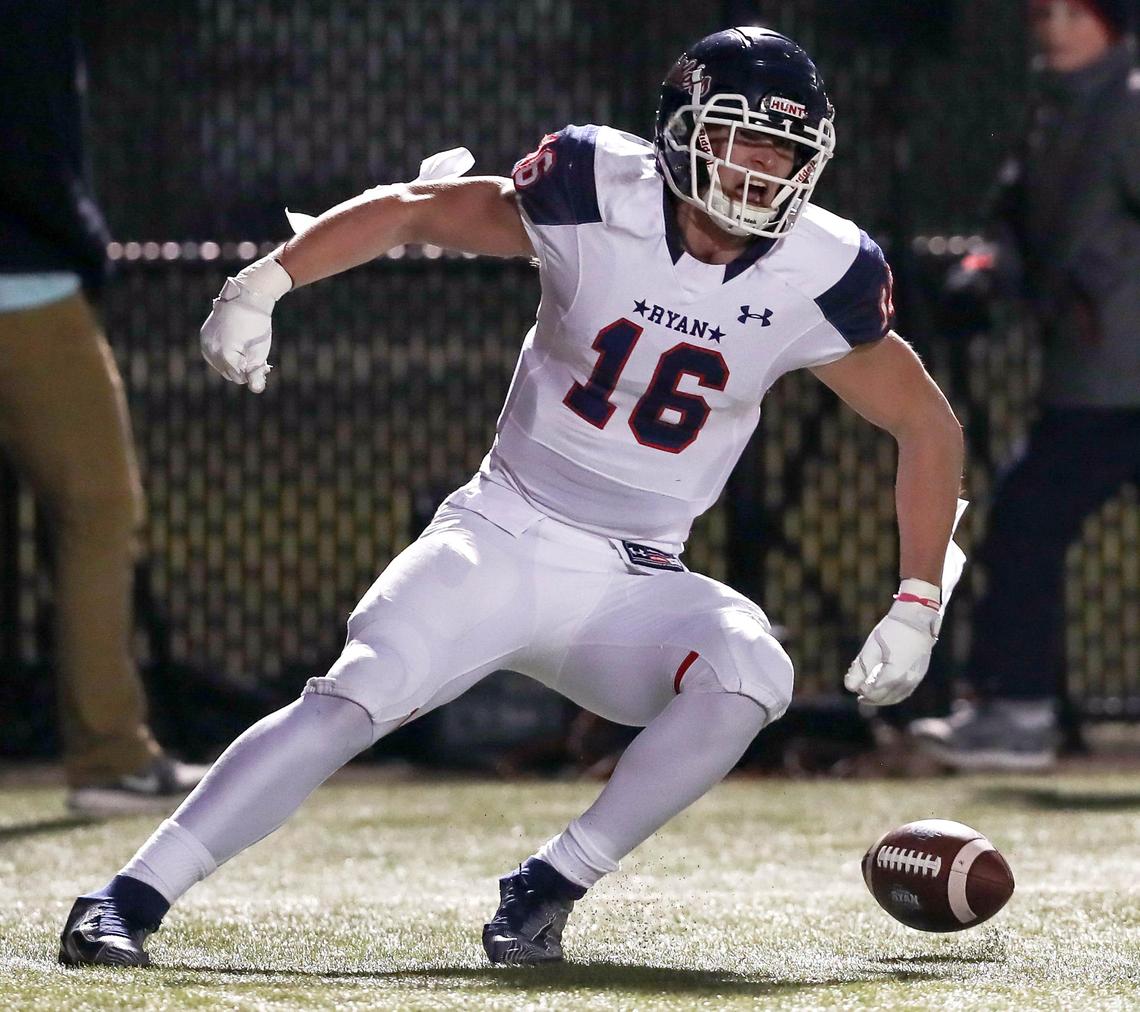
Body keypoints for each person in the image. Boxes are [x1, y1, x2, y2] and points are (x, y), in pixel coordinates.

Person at [59, 26, 963, 968]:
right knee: (354, 698)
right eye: (744, 138)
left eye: (785, 150)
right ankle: (126, 897)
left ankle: (548, 887)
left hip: (636, 579)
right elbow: (414, 211)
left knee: (751, 672)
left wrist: (917, 600)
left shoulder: (824, 268)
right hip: (500, 533)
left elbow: (926, 426)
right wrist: (264, 282)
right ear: (681, 129)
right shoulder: (596, 188)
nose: (761, 169)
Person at [908, 0, 1140, 771]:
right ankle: (1015, 710)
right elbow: (1015, 223)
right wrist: (984, 274)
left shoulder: (1126, 104)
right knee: (1025, 523)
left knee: (1025, 520)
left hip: (1115, 380)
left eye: (1074, 11)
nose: (1053, 25)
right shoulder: (1055, 108)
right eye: (1043, 12)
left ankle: (1017, 711)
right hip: (1096, 376)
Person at [0, 0, 206, 816]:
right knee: (98, 509)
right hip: (21, 283)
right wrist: (77, 241)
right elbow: (29, 142)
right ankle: (109, 755)